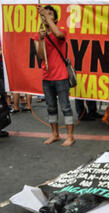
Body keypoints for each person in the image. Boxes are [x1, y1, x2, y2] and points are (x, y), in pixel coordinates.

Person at [33, 5, 75, 146]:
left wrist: (47, 17)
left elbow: (59, 35)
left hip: (61, 76)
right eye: (44, 14)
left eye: (50, 14)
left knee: (65, 107)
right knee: (51, 107)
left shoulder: (61, 30)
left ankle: (70, 136)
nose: (46, 16)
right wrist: (40, 39)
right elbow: (40, 56)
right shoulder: (39, 34)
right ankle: (55, 134)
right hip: (47, 77)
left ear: (55, 19)